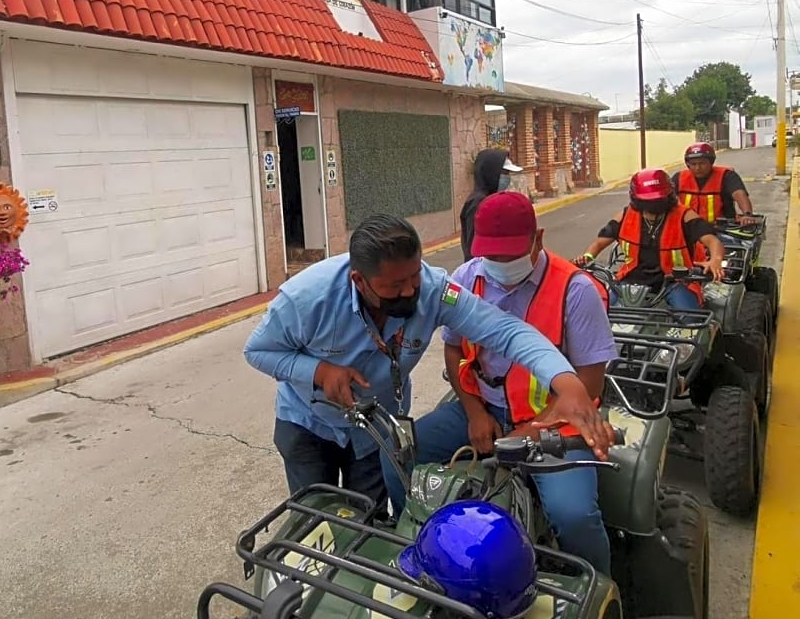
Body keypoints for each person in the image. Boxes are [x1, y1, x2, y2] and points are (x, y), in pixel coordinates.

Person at [245, 214, 615, 511]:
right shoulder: (306, 299)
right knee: (317, 521)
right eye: (394, 286)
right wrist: (319, 371)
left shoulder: (435, 289)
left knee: (370, 519)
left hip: (376, 428)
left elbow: (505, 331)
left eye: (414, 277)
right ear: (360, 280)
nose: (409, 292)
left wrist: (565, 380)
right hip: (310, 427)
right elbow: (258, 351)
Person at [383, 192, 617, 574]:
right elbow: (454, 350)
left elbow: (589, 384)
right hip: (483, 408)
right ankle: (414, 551)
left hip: (555, 425)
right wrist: (475, 412)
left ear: (537, 239)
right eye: (491, 256)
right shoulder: (466, 277)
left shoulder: (576, 290)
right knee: (397, 457)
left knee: (573, 514)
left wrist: (528, 432)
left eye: (509, 256)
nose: (498, 265)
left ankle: (600, 594)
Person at [573, 168, 726, 310]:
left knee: (690, 320)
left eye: (657, 202)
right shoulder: (626, 215)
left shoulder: (684, 215)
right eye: (647, 202)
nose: (652, 207)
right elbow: (600, 241)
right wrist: (587, 257)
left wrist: (716, 260)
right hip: (632, 278)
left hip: (675, 280)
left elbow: (712, 240)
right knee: (603, 312)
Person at [460, 149, 523, 261]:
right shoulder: (478, 203)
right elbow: (473, 247)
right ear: (491, 173)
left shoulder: (491, 199)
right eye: (504, 173)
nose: (507, 178)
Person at [672, 142, 753, 224]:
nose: (698, 168)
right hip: (687, 228)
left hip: (720, 228)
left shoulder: (726, 175)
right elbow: (667, 196)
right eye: (693, 164)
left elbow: (739, 193)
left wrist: (747, 214)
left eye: (702, 163)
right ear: (688, 164)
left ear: (711, 162)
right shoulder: (679, 177)